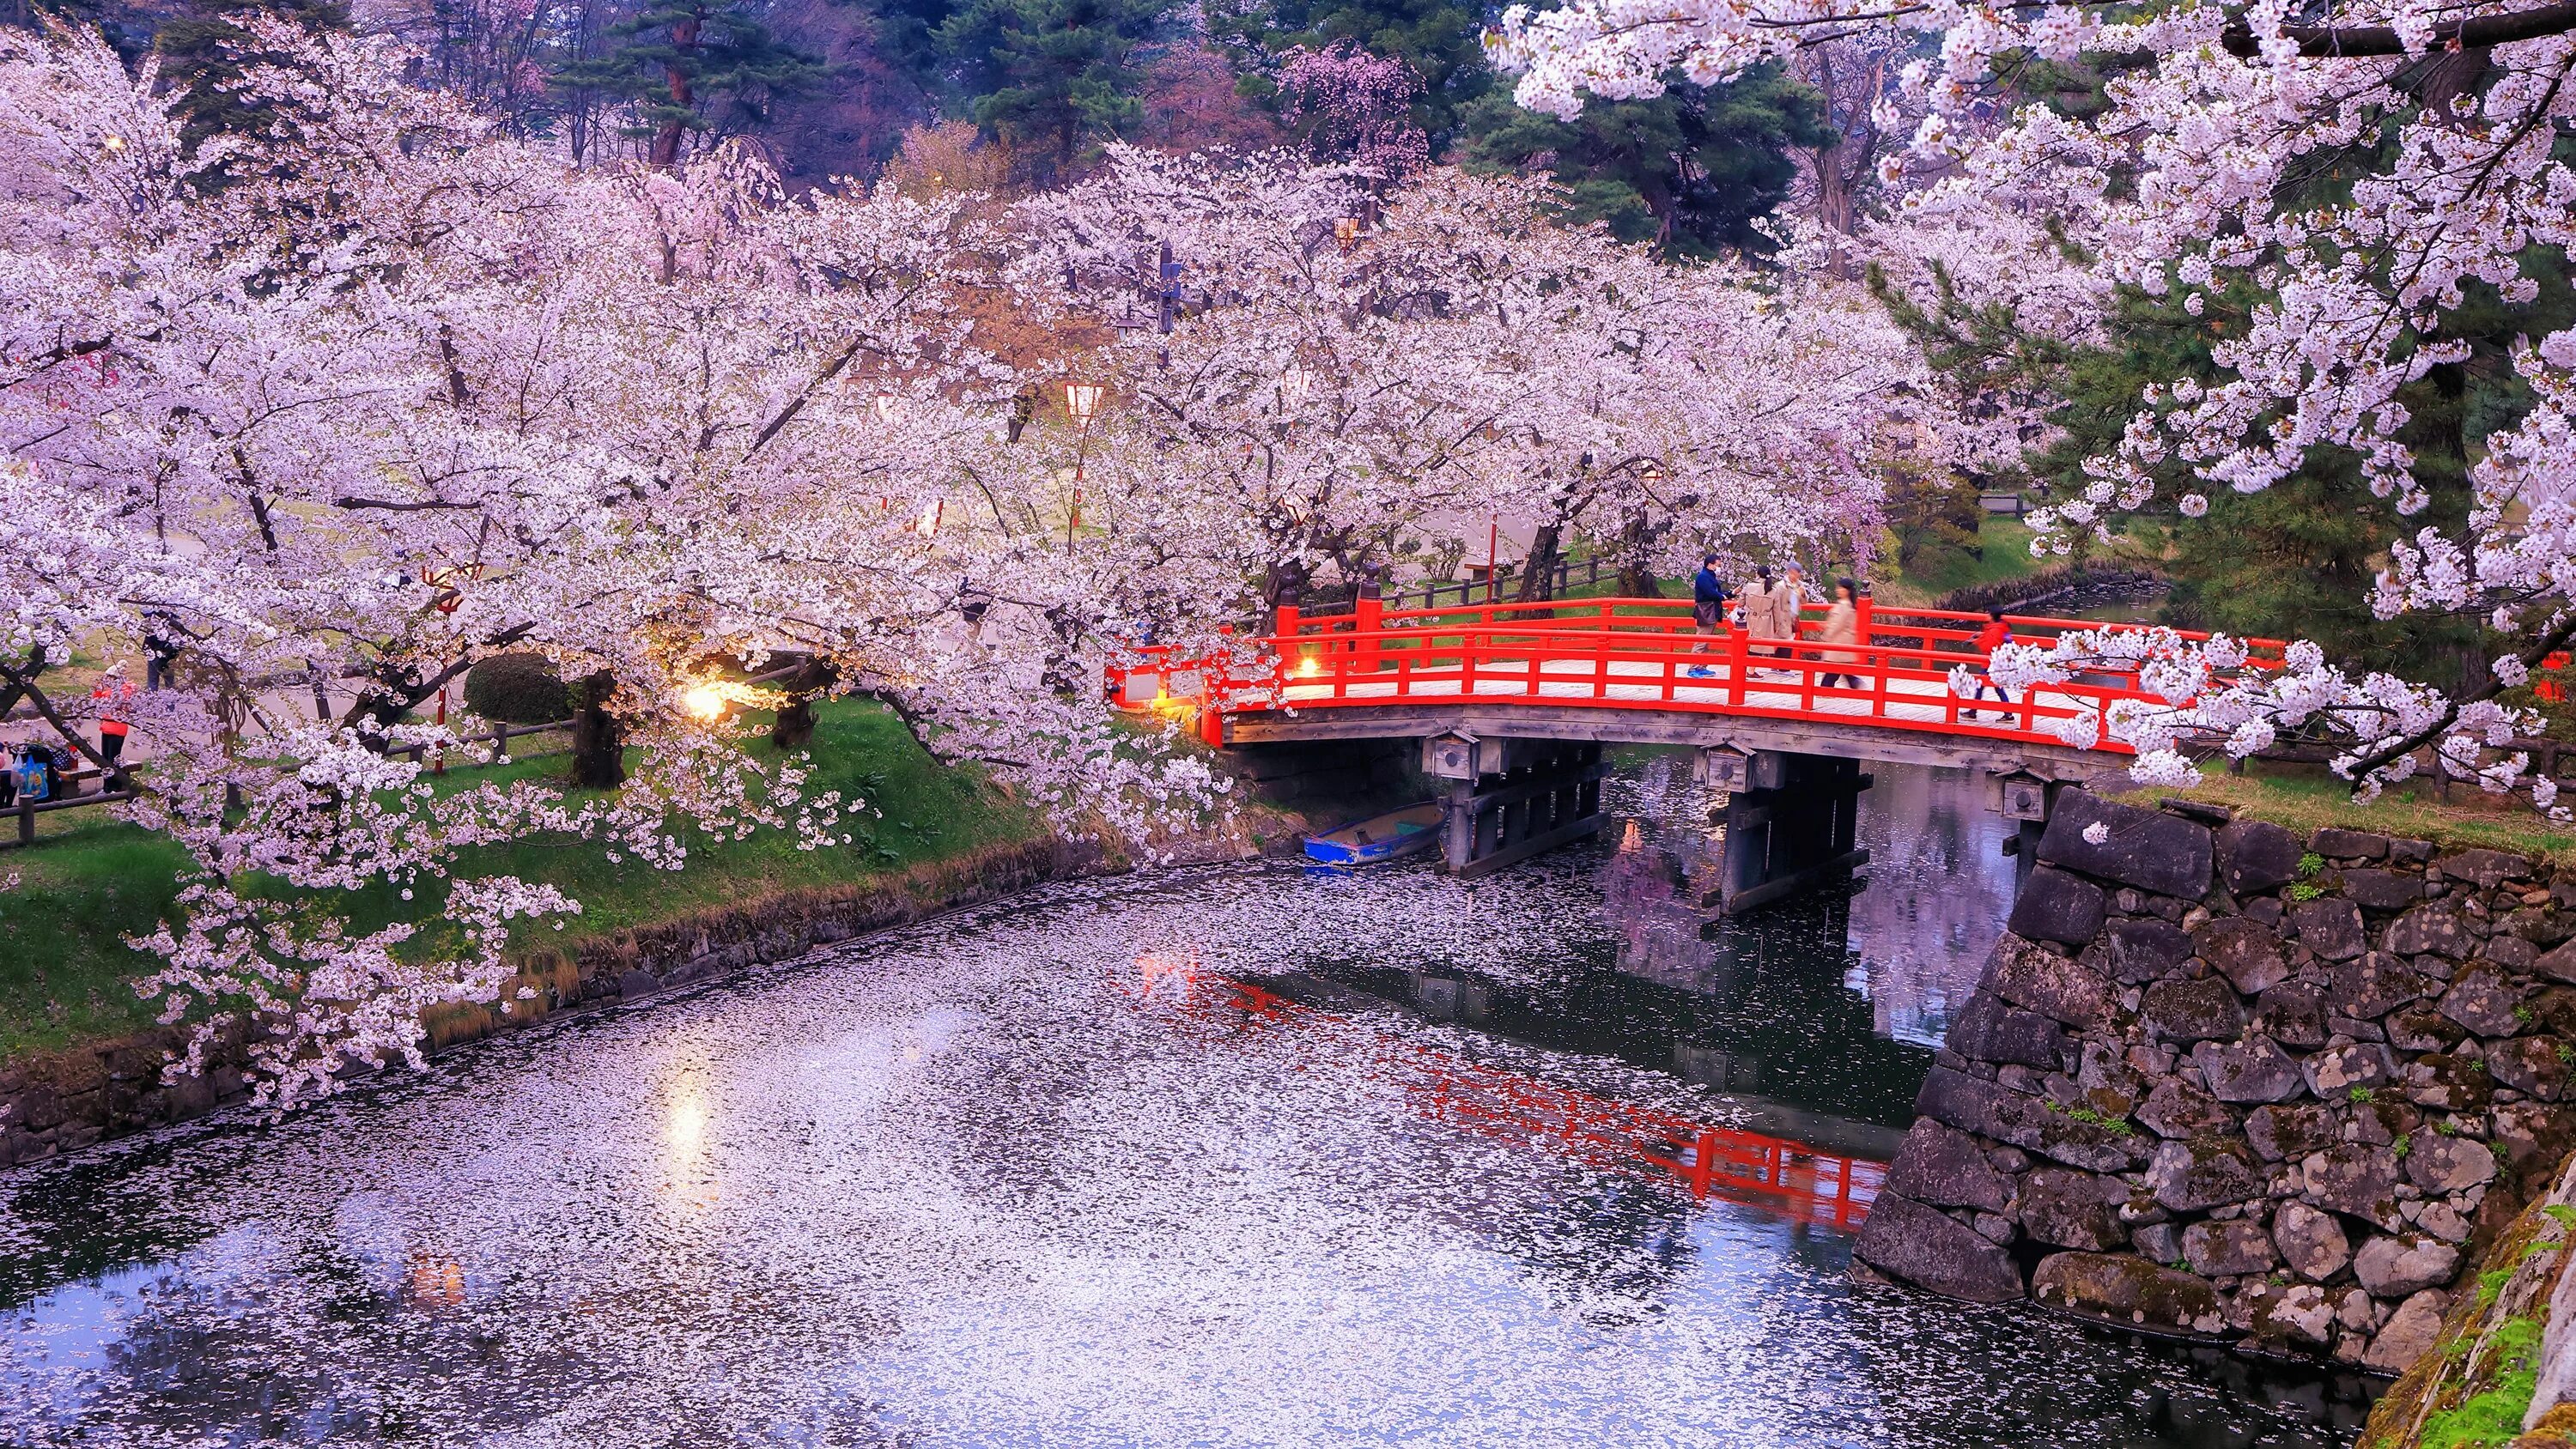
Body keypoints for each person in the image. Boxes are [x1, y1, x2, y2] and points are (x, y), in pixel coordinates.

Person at [1969, 606, 2016, 723]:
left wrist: (1976, 641)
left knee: (1994, 687)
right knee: (1982, 686)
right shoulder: (2001, 627)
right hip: (1995, 662)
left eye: (1988, 613)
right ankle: (1973, 711)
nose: (1986, 615)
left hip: (1992, 663)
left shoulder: (1995, 629)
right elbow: (1993, 638)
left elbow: (1989, 646)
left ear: (1992, 616)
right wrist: (1980, 636)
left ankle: (2008, 715)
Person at [1818, 579, 1862, 690]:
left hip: (1839, 641)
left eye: (1840, 588)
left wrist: (1827, 635)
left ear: (1847, 591)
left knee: (1833, 670)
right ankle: (1855, 683)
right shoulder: (1847, 605)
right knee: (1841, 669)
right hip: (1842, 641)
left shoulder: (1844, 606)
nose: (1838, 590)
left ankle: (1824, 691)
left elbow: (1838, 624)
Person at [1687, 553, 1726, 677]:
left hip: (1712, 610)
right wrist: (1723, 597)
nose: (1719, 566)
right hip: (1705, 611)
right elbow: (1710, 593)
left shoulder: (1710, 576)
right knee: (1701, 640)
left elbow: (1716, 592)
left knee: (1707, 641)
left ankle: (1702, 665)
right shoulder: (1703, 577)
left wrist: (1730, 594)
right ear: (1710, 564)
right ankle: (1693, 668)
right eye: (1717, 564)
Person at [92, 664, 134, 776]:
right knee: (105, 760)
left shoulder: (124, 690)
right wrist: (97, 690)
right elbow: (96, 701)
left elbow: (112, 699)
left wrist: (103, 692)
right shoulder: (109, 690)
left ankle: (113, 786)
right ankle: (107, 787)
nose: (106, 680)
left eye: (109, 677)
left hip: (117, 729)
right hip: (107, 728)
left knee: (112, 761)